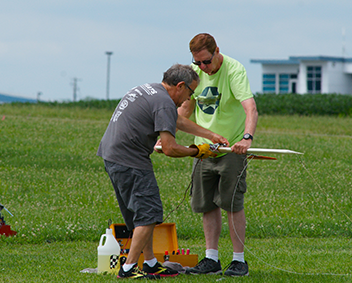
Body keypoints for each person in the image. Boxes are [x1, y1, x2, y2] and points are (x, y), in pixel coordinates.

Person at [97, 64, 229, 279]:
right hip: (131, 161)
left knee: (141, 216)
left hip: (112, 156)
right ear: (180, 86)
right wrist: (197, 151)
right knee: (148, 215)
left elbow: (175, 120)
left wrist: (210, 135)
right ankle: (128, 269)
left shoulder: (149, 90)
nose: (188, 99)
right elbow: (169, 148)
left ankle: (149, 263)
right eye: (190, 92)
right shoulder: (164, 102)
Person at [179, 33, 258, 277]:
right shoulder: (195, 73)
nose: (203, 67)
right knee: (206, 204)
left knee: (232, 203)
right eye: (197, 62)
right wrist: (166, 135)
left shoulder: (234, 70)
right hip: (204, 149)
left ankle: (238, 261)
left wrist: (246, 138)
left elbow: (250, 109)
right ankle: (211, 258)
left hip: (231, 148)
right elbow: (185, 108)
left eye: (206, 61)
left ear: (217, 52)